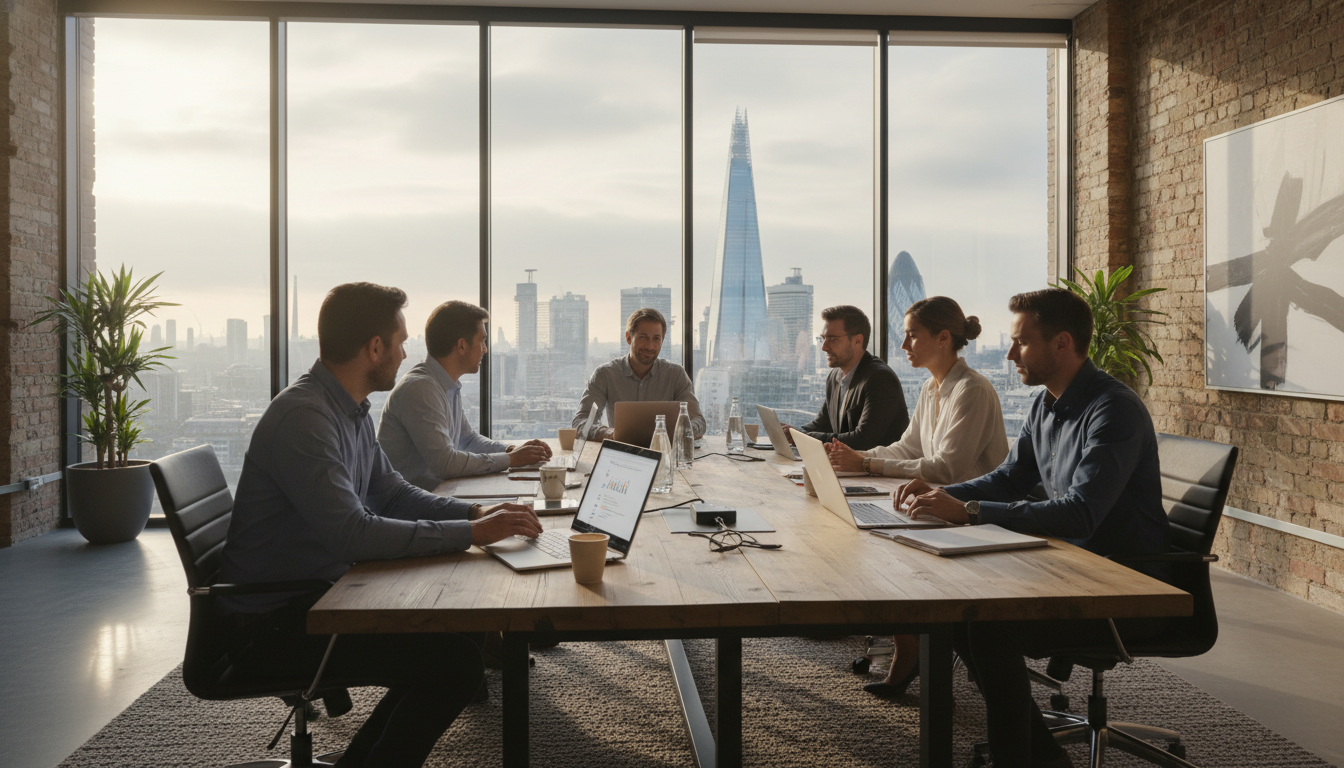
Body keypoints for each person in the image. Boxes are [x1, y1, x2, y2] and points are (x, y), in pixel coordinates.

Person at [217, 283, 544, 768]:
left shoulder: (347, 411)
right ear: (375, 347)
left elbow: (390, 491)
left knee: (462, 631)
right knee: (453, 664)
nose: (407, 352)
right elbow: (353, 533)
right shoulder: (306, 419)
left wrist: (474, 515)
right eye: (400, 341)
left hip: (318, 594)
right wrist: (472, 534)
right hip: (273, 625)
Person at [896, 288, 1170, 768]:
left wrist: (974, 512)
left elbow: (1082, 513)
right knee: (960, 613)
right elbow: (1010, 476)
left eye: (1020, 342)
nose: (1008, 353)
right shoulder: (1047, 404)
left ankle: (1020, 759)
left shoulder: (1113, 410)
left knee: (988, 628)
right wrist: (945, 496)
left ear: (1062, 343)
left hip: (1122, 582)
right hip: (1064, 563)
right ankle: (1038, 757)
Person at [824, 296, 1009, 699]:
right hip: (934, 509)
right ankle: (910, 647)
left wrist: (869, 466)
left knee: (880, 548)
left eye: (912, 335)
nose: (904, 345)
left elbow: (946, 468)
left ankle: (914, 651)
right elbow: (907, 448)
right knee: (865, 533)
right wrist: (859, 459)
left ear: (943, 338)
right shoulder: (932, 387)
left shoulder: (972, 390)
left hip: (967, 517)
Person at [379, 300, 552, 490]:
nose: (485, 349)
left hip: (438, 494)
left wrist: (510, 450)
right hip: (412, 509)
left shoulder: (444, 384)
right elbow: (445, 463)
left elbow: (467, 439)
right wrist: (510, 459)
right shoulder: (421, 389)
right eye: (482, 340)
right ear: (461, 346)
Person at [780, 305, 909, 451]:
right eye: (823, 339)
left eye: (833, 339)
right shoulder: (834, 376)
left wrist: (802, 437)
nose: (824, 347)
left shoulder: (881, 379)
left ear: (857, 341)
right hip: (848, 467)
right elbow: (823, 424)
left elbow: (863, 440)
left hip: (877, 470)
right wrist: (791, 432)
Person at [573, 307, 706, 439]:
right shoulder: (605, 374)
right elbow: (580, 422)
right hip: (620, 453)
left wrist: (681, 432)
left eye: (656, 339)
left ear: (662, 341)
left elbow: (698, 421)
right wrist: (611, 434)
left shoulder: (676, 375)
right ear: (628, 338)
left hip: (665, 453)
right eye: (643, 337)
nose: (650, 346)